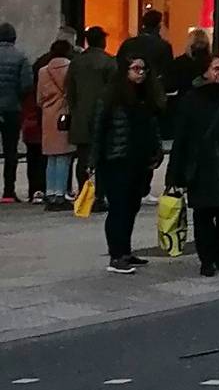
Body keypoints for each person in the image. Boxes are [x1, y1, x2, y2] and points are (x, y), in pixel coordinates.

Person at [166, 54, 219, 277]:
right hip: (200, 166)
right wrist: (174, 176)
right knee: (203, 215)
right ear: (205, 72)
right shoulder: (191, 100)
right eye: (217, 68)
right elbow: (181, 139)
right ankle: (206, 258)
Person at [91, 57, 164, 273]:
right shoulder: (111, 96)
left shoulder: (146, 96)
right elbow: (98, 129)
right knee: (119, 207)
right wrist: (93, 160)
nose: (140, 73)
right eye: (135, 69)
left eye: (144, 69)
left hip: (139, 159)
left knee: (132, 206)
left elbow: (153, 125)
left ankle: (126, 250)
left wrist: (157, 149)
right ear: (125, 71)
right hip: (117, 158)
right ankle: (116, 255)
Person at [67, 26, 117, 200]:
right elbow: (115, 91)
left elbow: (70, 92)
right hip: (104, 116)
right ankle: (100, 195)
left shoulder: (76, 63)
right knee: (103, 159)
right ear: (102, 41)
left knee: (82, 157)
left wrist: (75, 110)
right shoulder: (109, 62)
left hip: (81, 115)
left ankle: (83, 194)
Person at [34, 39, 74, 209]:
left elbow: (39, 98)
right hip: (64, 115)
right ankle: (60, 193)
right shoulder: (71, 68)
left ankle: (50, 192)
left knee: (51, 156)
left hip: (48, 116)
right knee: (64, 156)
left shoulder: (43, 71)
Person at [119, 8, 174, 111]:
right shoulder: (163, 46)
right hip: (152, 94)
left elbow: (119, 66)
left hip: (128, 92)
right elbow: (167, 73)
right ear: (158, 26)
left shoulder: (128, 44)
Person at [0, 22, 31, 203]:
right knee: (11, 150)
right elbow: (27, 84)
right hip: (12, 108)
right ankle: (8, 191)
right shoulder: (21, 57)